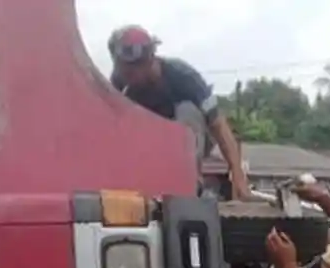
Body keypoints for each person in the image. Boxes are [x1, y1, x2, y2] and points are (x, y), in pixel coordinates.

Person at [107, 25, 252, 200]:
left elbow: (219, 125)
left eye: (129, 73)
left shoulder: (183, 77)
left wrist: (237, 173)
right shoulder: (120, 80)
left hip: (193, 134)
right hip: (156, 140)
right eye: (122, 71)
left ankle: (190, 182)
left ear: (148, 62)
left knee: (187, 110)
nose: (125, 77)